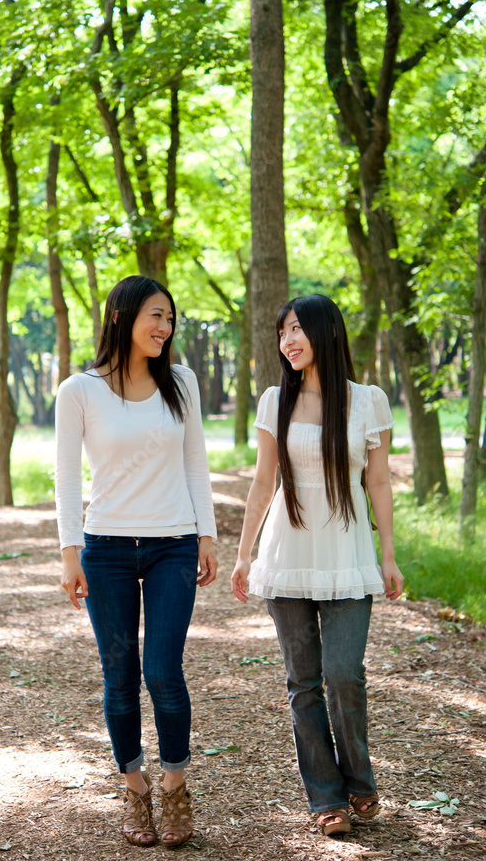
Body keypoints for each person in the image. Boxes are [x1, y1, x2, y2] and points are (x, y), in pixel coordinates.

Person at [231, 294, 404, 837]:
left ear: (328, 332)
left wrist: (390, 555)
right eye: (283, 331)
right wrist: (243, 554)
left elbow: (377, 482)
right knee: (302, 682)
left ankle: (360, 780)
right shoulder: (273, 401)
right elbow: (263, 482)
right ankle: (325, 797)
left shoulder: (367, 401)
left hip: (348, 551)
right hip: (288, 552)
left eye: (299, 328)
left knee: (343, 675)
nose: (289, 340)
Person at [55, 275, 218, 848]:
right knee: (119, 677)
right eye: (155, 315)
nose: (164, 327)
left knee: (163, 671)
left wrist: (207, 535)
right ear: (120, 316)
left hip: (173, 544)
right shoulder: (79, 391)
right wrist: (70, 553)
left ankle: (175, 783)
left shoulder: (182, 383)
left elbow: (195, 460)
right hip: (105, 552)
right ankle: (136, 787)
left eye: (170, 318)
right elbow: (68, 478)